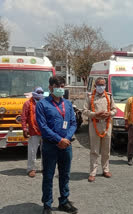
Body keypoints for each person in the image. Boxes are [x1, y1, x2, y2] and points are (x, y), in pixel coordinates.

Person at [36, 76, 78, 214]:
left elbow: (73, 123)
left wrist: (66, 139)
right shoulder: (42, 104)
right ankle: (47, 205)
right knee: (48, 175)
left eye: (62, 86)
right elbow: (43, 126)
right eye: (57, 86)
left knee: (65, 175)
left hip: (66, 146)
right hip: (50, 146)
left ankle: (64, 201)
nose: (60, 88)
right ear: (50, 87)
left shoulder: (68, 104)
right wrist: (59, 139)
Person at [83, 77, 117, 182]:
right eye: (99, 85)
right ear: (95, 86)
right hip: (94, 125)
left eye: (103, 85)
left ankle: (105, 169)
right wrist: (95, 114)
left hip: (107, 125)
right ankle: (93, 172)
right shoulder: (90, 97)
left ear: (105, 85)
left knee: (106, 149)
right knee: (94, 150)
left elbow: (114, 109)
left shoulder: (109, 96)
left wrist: (110, 113)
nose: (101, 87)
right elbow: (84, 111)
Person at [21, 87, 44, 178]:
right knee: (32, 151)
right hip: (33, 131)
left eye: (41, 92)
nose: (40, 94)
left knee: (45, 151)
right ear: (34, 93)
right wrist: (24, 129)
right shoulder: (27, 103)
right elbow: (23, 118)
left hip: (44, 131)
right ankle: (31, 169)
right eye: (38, 92)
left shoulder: (44, 103)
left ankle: (45, 167)